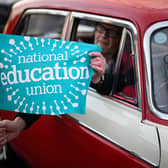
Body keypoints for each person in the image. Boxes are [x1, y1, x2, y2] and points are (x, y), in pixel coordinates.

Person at [0, 22, 134, 157]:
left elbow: (120, 83)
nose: (104, 36)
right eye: (101, 29)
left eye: (111, 33)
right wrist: (19, 123)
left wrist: (99, 78)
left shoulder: (130, 62)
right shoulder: (75, 56)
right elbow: (46, 88)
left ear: (121, 38)